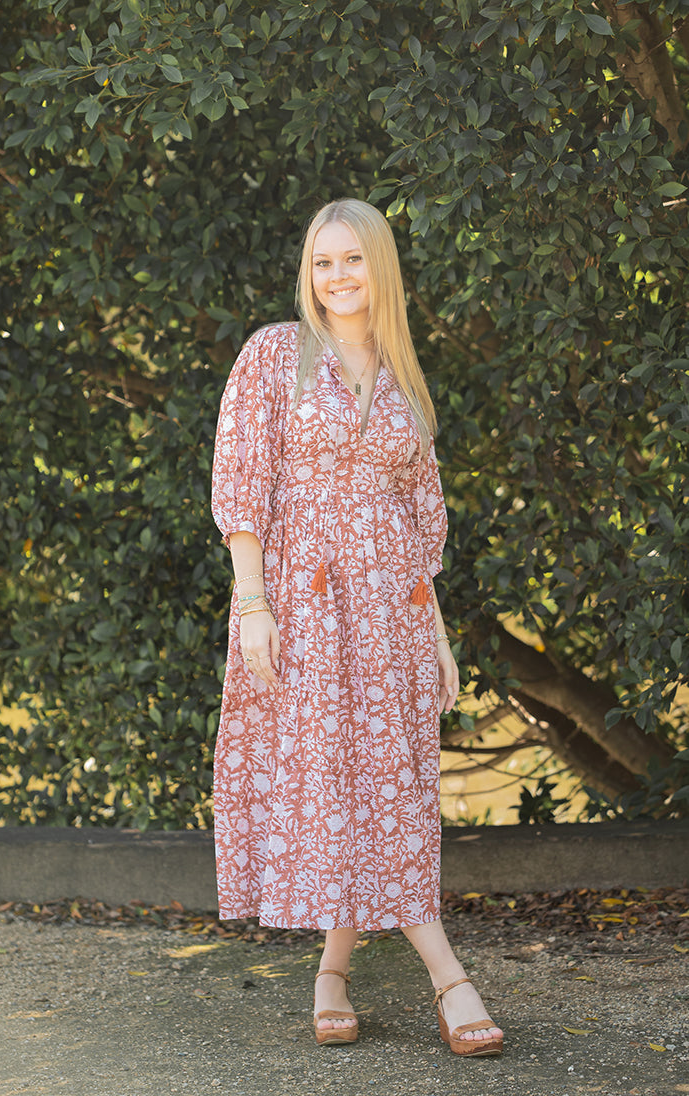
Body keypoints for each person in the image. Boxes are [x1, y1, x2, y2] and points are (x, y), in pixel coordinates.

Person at [211, 198, 503, 1056]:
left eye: (352, 260)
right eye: (321, 262)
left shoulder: (404, 375)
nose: (336, 277)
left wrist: (441, 634)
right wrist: (252, 605)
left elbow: (420, 519)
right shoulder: (276, 355)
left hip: (394, 613)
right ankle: (450, 977)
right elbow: (243, 485)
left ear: (381, 269)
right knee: (338, 783)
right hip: (302, 605)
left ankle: (332, 973)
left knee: (391, 785)